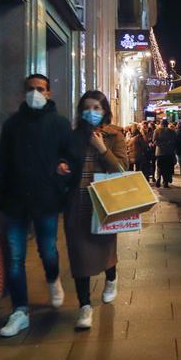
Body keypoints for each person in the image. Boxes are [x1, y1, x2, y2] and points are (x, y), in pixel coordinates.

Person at [0, 73, 73, 337]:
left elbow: (69, 156)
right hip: (14, 201)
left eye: (40, 89)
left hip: (46, 199)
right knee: (15, 258)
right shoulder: (12, 125)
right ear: (23, 92)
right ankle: (20, 311)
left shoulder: (59, 124)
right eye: (30, 89)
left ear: (48, 93)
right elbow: (3, 164)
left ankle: (52, 278)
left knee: (47, 249)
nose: (35, 93)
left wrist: (63, 171)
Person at [64, 91, 128, 329]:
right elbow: (63, 162)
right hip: (77, 203)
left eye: (97, 108)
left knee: (105, 249)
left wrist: (102, 148)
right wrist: (62, 168)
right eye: (87, 107)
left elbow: (122, 169)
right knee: (79, 255)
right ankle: (84, 307)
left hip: (104, 203)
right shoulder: (72, 137)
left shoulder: (114, 136)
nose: (92, 112)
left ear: (105, 112)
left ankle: (111, 277)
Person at [153, 119, 176, 188]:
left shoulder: (156, 131)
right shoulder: (171, 131)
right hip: (168, 152)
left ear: (161, 124)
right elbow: (174, 141)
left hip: (159, 152)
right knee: (167, 167)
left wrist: (161, 145)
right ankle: (165, 182)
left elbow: (154, 140)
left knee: (159, 167)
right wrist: (168, 145)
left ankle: (158, 179)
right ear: (167, 124)